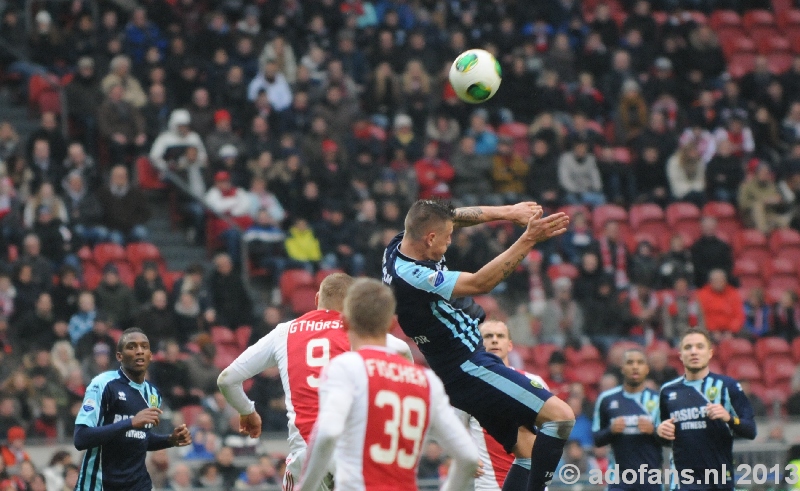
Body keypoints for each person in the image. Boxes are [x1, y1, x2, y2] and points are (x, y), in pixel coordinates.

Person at [382, 199, 574, 491]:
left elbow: (453, 217)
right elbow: (480, 284)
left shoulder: (401, 244)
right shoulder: (412, 276)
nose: (450, 243)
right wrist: (529, 238)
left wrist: (508, 213)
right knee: (561, 418)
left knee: (528, 453)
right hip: (467, 367)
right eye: (447, 238)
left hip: (465, 364)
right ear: (430, 238)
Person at [217, 273, 413, 489]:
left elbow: (227, 379)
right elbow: (403, 349)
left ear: (317, 297)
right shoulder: (361, 332)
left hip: (306, 454)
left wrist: (247, 411)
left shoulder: (285, 332)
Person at [297, 278, 479, 491]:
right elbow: (468, 457)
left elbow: (327, 433)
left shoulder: (345, 367)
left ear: (345, 323)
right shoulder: (427, 380)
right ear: (391, 325)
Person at [73, 328, 192, 490]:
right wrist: (130, 422)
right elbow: (81, 439)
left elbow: (139, 437)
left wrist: (169, 440)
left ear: (151, 356)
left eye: (144, 347)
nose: (139, 351)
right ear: (119, 356)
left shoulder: (153, 394)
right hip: (100, 485)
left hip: (138, 484)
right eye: (132, 347)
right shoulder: (102, 384)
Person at [656, 329, 757, 490]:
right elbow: (665, 438)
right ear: (681, 355)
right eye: (688, 347)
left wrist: (729, 418)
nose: (694, 351)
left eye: (699, 346)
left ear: (710, 353)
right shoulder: (667, 391)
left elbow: (751, 430)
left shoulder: (728, 386)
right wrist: (660, 432)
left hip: (718, 480)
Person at [459, 320, 550, 491]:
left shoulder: (534, 382)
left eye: (500, 336)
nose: (494, 340)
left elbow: (551, 429)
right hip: (490, 485)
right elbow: (456, 429)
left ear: (509, 345)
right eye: (488, 336)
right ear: (477, 344)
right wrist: (467, 456)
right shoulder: (466, 389)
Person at [592, 349, 661, 491]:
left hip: (650, 479)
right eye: (630, 362)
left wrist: (653, 430)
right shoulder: (607, 399)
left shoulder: (658, 399)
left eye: (640, 362)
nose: (635, 366)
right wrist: (611, 431)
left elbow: (670, 440)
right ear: (622, 368)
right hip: (619, 480)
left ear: (647, 369)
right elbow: (597, 439)